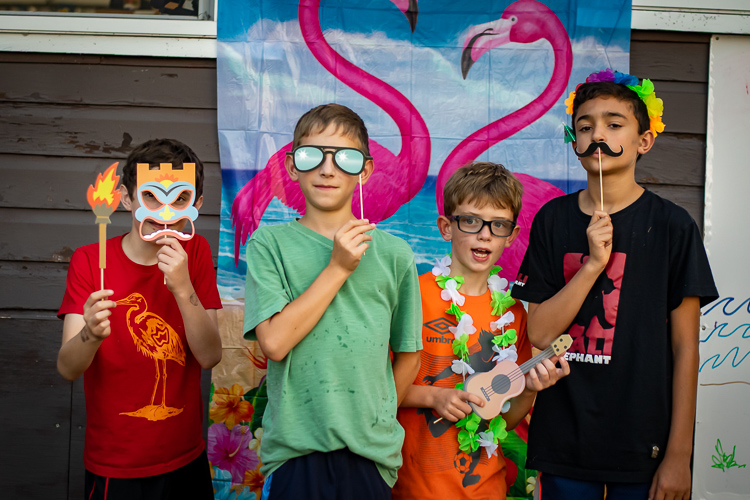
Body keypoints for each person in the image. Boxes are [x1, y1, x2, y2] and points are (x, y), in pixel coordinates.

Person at [511, 69, 718, 499]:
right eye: (585, 127)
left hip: (643, 445)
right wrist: (592, 265)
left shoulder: (672, 227)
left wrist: (679, 454)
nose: (597, 136)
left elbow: (685, 349)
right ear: (574, 143)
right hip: (565, 441)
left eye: (613, 124)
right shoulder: (553, 219)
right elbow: (541, 333)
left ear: (644, 141)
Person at [243, 103, 422, 500]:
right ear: (292, 166)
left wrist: (376, 419)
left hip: (369, 457)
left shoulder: (394, 254)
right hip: (295, 452)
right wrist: (338, 267)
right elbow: (273, 342)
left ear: (365, 170)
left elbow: (409, 354)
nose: (328, 170)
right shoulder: (269, 245)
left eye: (345, 158)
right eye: (312, 156)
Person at [393, 162, 570, 499]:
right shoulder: (413, 296)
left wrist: (531, 389)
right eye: (471, 221)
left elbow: (505, 413)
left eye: (498, 225)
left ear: (512, 235)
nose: (485, 234)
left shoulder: (513, 313)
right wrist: (434, 397)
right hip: (415, 487)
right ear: (446, 227)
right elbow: (382, 391)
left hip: (486, 488)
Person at [57, 138, 222, 499]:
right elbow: (68, 368)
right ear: (127, 198)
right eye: (151, 196)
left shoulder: (194, 253)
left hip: (185, 457)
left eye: (180, 198)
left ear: (196, 205)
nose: (165, 209)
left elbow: (210, 356)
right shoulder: (89, 261)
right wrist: (91, 335)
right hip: (115, 463)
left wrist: (182, 288)